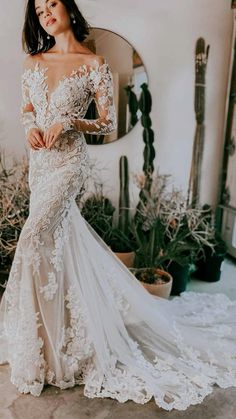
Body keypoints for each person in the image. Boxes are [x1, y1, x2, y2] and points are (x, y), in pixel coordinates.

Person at [0, 0, 236, 412]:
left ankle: (53, 345)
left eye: (51, 3)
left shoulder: (93, 63)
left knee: (34, 237)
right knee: (50, 249)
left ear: (69, 9)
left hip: (69, 162)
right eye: (38, 10)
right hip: (41, 163)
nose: (45, 13)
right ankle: (49, 343)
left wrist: (69, 122)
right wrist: (33, 128)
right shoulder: (32, 62)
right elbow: (26, 111)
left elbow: (107, 122)